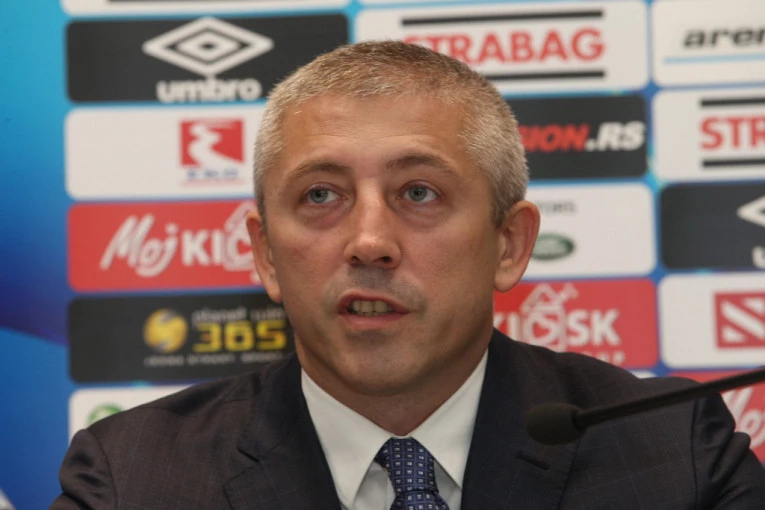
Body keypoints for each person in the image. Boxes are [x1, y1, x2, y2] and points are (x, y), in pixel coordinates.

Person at [52, 41, 765, 509]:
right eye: (321, 195)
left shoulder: (673, 454)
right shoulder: (133, 479)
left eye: (419, 193)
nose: (369, 242)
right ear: (265, 254)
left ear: (509, 244)